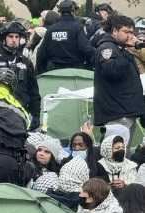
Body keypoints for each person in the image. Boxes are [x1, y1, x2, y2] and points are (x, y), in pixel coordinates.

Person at [93, 15, 144, 143]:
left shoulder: (120, 48)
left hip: (126, 110)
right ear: (115, 31)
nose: (130, 36)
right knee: (114, 151)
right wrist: (127, 53)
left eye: (132, 32)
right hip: (117, 113)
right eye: (126, 32)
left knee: (122, 153)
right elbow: (112, 71)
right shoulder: (108, 48)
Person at [36, 0, 95, 73]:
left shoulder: (51, 30)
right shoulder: (77, 28)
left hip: (54, 73)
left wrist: (42, 72)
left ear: (60, 12)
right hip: (75, 72)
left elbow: (41, 54)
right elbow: (87, 50)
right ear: (73, 11)